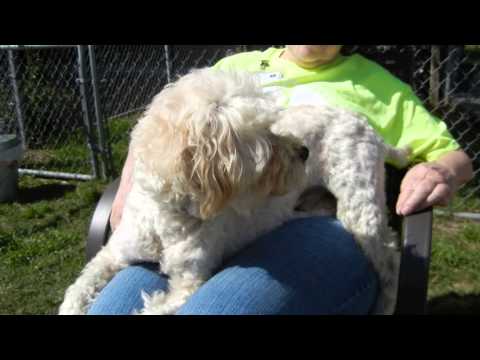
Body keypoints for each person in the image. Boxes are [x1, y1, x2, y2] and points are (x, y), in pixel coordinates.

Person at [86, 45, 473, 315]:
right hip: (201, 221)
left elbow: (453, 155)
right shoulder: (235, 66)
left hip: (312, 224)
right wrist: (127, 185)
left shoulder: (378, 84)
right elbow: (166, 125)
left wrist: (441, 170)